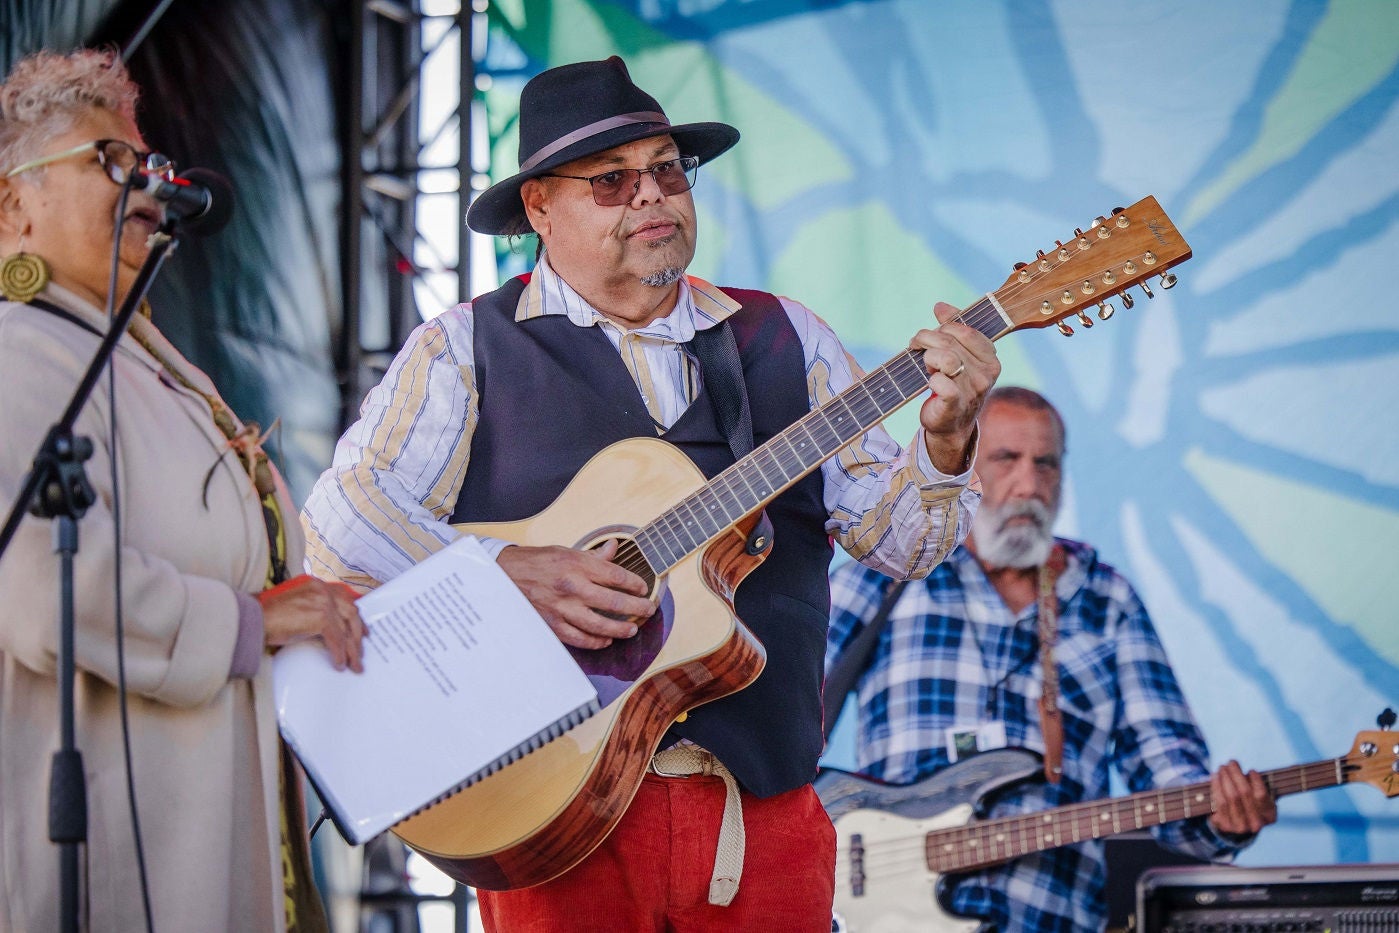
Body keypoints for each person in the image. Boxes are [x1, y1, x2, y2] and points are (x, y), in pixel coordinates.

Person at [301, 56, 999, 931]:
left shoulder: (785, 336)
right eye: (611, 181)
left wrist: (945, 439)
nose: (651, 197)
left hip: (763, 817)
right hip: (552, 809)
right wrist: (501, 570)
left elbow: (903, 546)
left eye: (668, 170)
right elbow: (339, 521)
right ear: (538, 208)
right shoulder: (462, 349)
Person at [0, 49, 366, 933]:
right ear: (14, 205)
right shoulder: (17, 355)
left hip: (222, 833)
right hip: (112, 857)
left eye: (147, 163)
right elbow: (44, 593)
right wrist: (253, 622)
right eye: (110, 163)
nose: (150, 186)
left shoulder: (140, 360)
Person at [825, 386, 1278, 933]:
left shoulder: (1105, 599)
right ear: (966, 467)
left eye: (1046, 464)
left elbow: (1165, 769)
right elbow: (779, 725)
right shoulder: (887, 575)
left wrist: (1223, 819)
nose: (1030, 485)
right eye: (1006, 459)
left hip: (1049, 918)